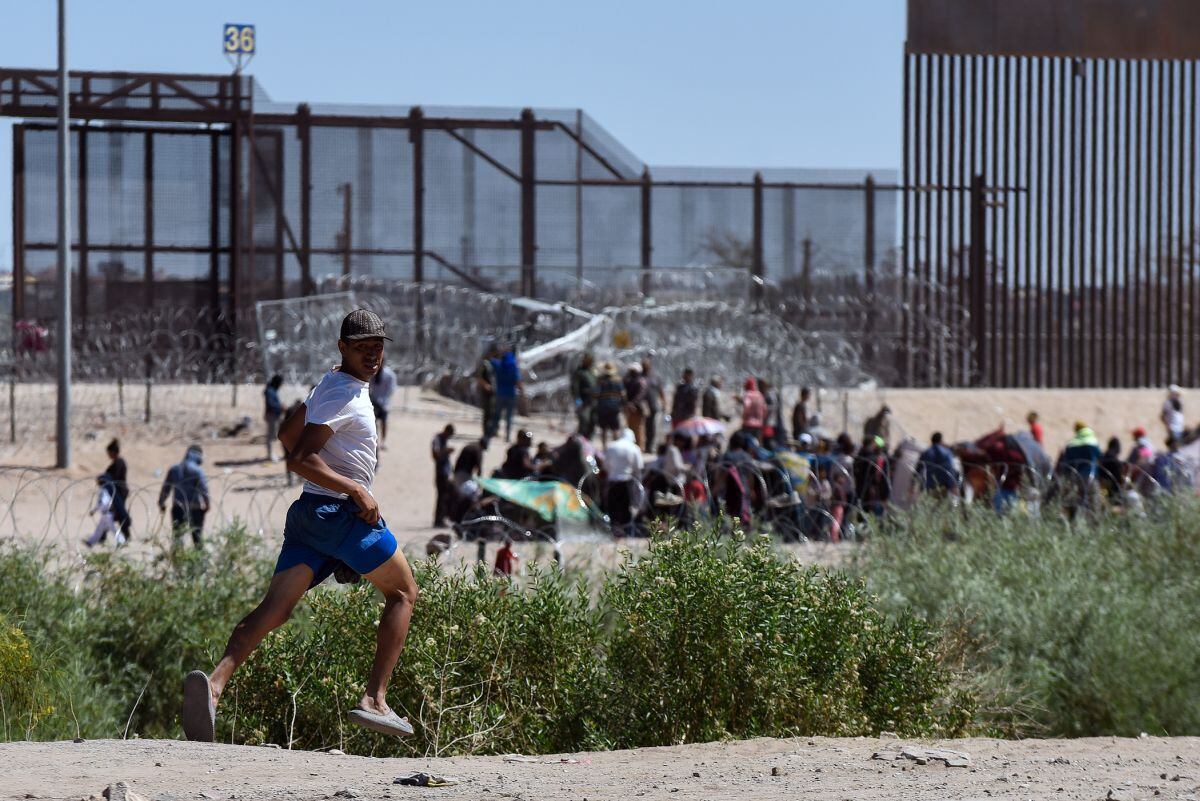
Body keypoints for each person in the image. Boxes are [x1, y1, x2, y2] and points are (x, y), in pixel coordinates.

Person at [183, 308, 418, 743]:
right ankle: (375, 700)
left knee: (275, 610)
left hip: (311, 516)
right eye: (363, 347)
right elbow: (299, 458)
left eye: (378, 347)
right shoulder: (344, 394)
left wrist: (336, 464)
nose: (373, 355)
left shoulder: (332, 384)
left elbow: (287, 435)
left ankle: (213, 687)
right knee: (404, 593)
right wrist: (356, 490)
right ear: (342, 347)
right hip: (341, 515)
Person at [158, 445, 210, 548]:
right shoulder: (198, 471)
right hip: (195, 509)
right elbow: (204, 489)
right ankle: (199, 563)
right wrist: (207, 505)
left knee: (177, 539)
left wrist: (161, 502)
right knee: (197, 539)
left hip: (178, 508)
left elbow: (166, 489)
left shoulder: (174, 469)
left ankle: (178, 562)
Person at [603, 428, 644, 534]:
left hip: (612, 481)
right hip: (626, 481)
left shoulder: (612, 446)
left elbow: (605, 465)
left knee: (613, 506)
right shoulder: (634, 448)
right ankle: (626, 530)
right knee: (625, 506)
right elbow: (638, 468)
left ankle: (613, 529)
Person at [83, 474, 123, 548]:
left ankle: (121, 541)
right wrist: (94, 510)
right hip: (105, 514)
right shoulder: (104, 490)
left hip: (107, 514)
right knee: (99, 529)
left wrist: (94, 510)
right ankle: (90, 542)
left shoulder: (103, 491)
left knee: (113, 528)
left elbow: (103, 502)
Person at [104, 439, 132, 542]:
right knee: (115, 514)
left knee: (116, 514)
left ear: (113, 452)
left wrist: (104, 479)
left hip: (119, 492)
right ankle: (102, 536)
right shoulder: (116, 463)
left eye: (109, 453)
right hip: (117, 491)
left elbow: (114, 477)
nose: (108, 455)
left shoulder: (119, 463)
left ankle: (102, 536)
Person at [492, 348, 522, 443]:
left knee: (497, 414)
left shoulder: (499, 365)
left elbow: (491, 360)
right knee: (509, 417)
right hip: (511, 394)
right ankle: (507, 436)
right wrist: (522, 392)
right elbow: (518, 381)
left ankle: (494, 431)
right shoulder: (513, 367)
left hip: (500, 393)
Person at [431, 424, 456, 528]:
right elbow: (435, 454)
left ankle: (442, 518)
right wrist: (446, 451)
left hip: (445, 472)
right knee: (441, 496)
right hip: (440, 472)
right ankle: (438, 520)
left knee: (446, 496)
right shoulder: (437, 439)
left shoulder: (444, 440)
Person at [476, 342, 500, 449]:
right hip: (486, 393)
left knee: (493, 413)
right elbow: (479, 377)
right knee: (487, 413)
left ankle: (491, 432)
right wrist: (485, 385)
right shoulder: (484, 364)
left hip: (494, 393)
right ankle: (485, 434)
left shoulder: (493, 363)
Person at [370, 357, 398, 448]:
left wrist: (383, 401)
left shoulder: (389, 374)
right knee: (372, 423)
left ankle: (383, 441)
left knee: (384, 422)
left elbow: (391, 389)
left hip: (384, 403)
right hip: (373, 402)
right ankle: (374, 441)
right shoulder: (372, 372)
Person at [595, 362, 625, 446]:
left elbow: (596, 393)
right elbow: (622, 394)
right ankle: (616, 446)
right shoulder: (618, 380)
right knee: (615, 428)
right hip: (614, 406)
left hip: (602, 406)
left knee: (603, 428)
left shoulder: (600, 380)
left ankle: (604, 446)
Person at [570, 353, 597, 440]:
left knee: (593, 421)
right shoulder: (579, 372)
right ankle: (581, 442)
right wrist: (578, 401)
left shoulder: (592, 372)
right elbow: (575, 388)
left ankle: (589, 442)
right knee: (584, 421)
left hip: (593, 401)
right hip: (583, 401)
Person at [641, 358, 666, 453]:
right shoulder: (640, 377)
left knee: (651, 427)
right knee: (642, 427)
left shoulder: (655, 377)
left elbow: (661, 391)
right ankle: (642, 445)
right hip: (641, 406)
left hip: (653, 406)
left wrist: (664, 402)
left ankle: (650, 446)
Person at [623, 364, 649, 451]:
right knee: (630, 428)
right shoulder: (629, 381)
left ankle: (639, 447)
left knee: (638, 429)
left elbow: (640, 395)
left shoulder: (641, 381)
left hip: (638, 409)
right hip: (630, 409)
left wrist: (633, 404)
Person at [739, 377, 766, 442]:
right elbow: (764, 408)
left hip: (748, 423)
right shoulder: (759, 395)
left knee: (747, 443)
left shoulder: (748, 394)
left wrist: (744, 417)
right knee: (756, 442)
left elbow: (747, 406)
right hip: (759, 424)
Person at [264, 375, 284, 461]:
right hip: (272, 416)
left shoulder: (273, 390)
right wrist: (280, 407)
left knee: (275, 435)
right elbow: (271, 404)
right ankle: (270, 455)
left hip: (275, 415)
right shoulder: (270, 391)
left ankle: (273, 454)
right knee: (271, 436)